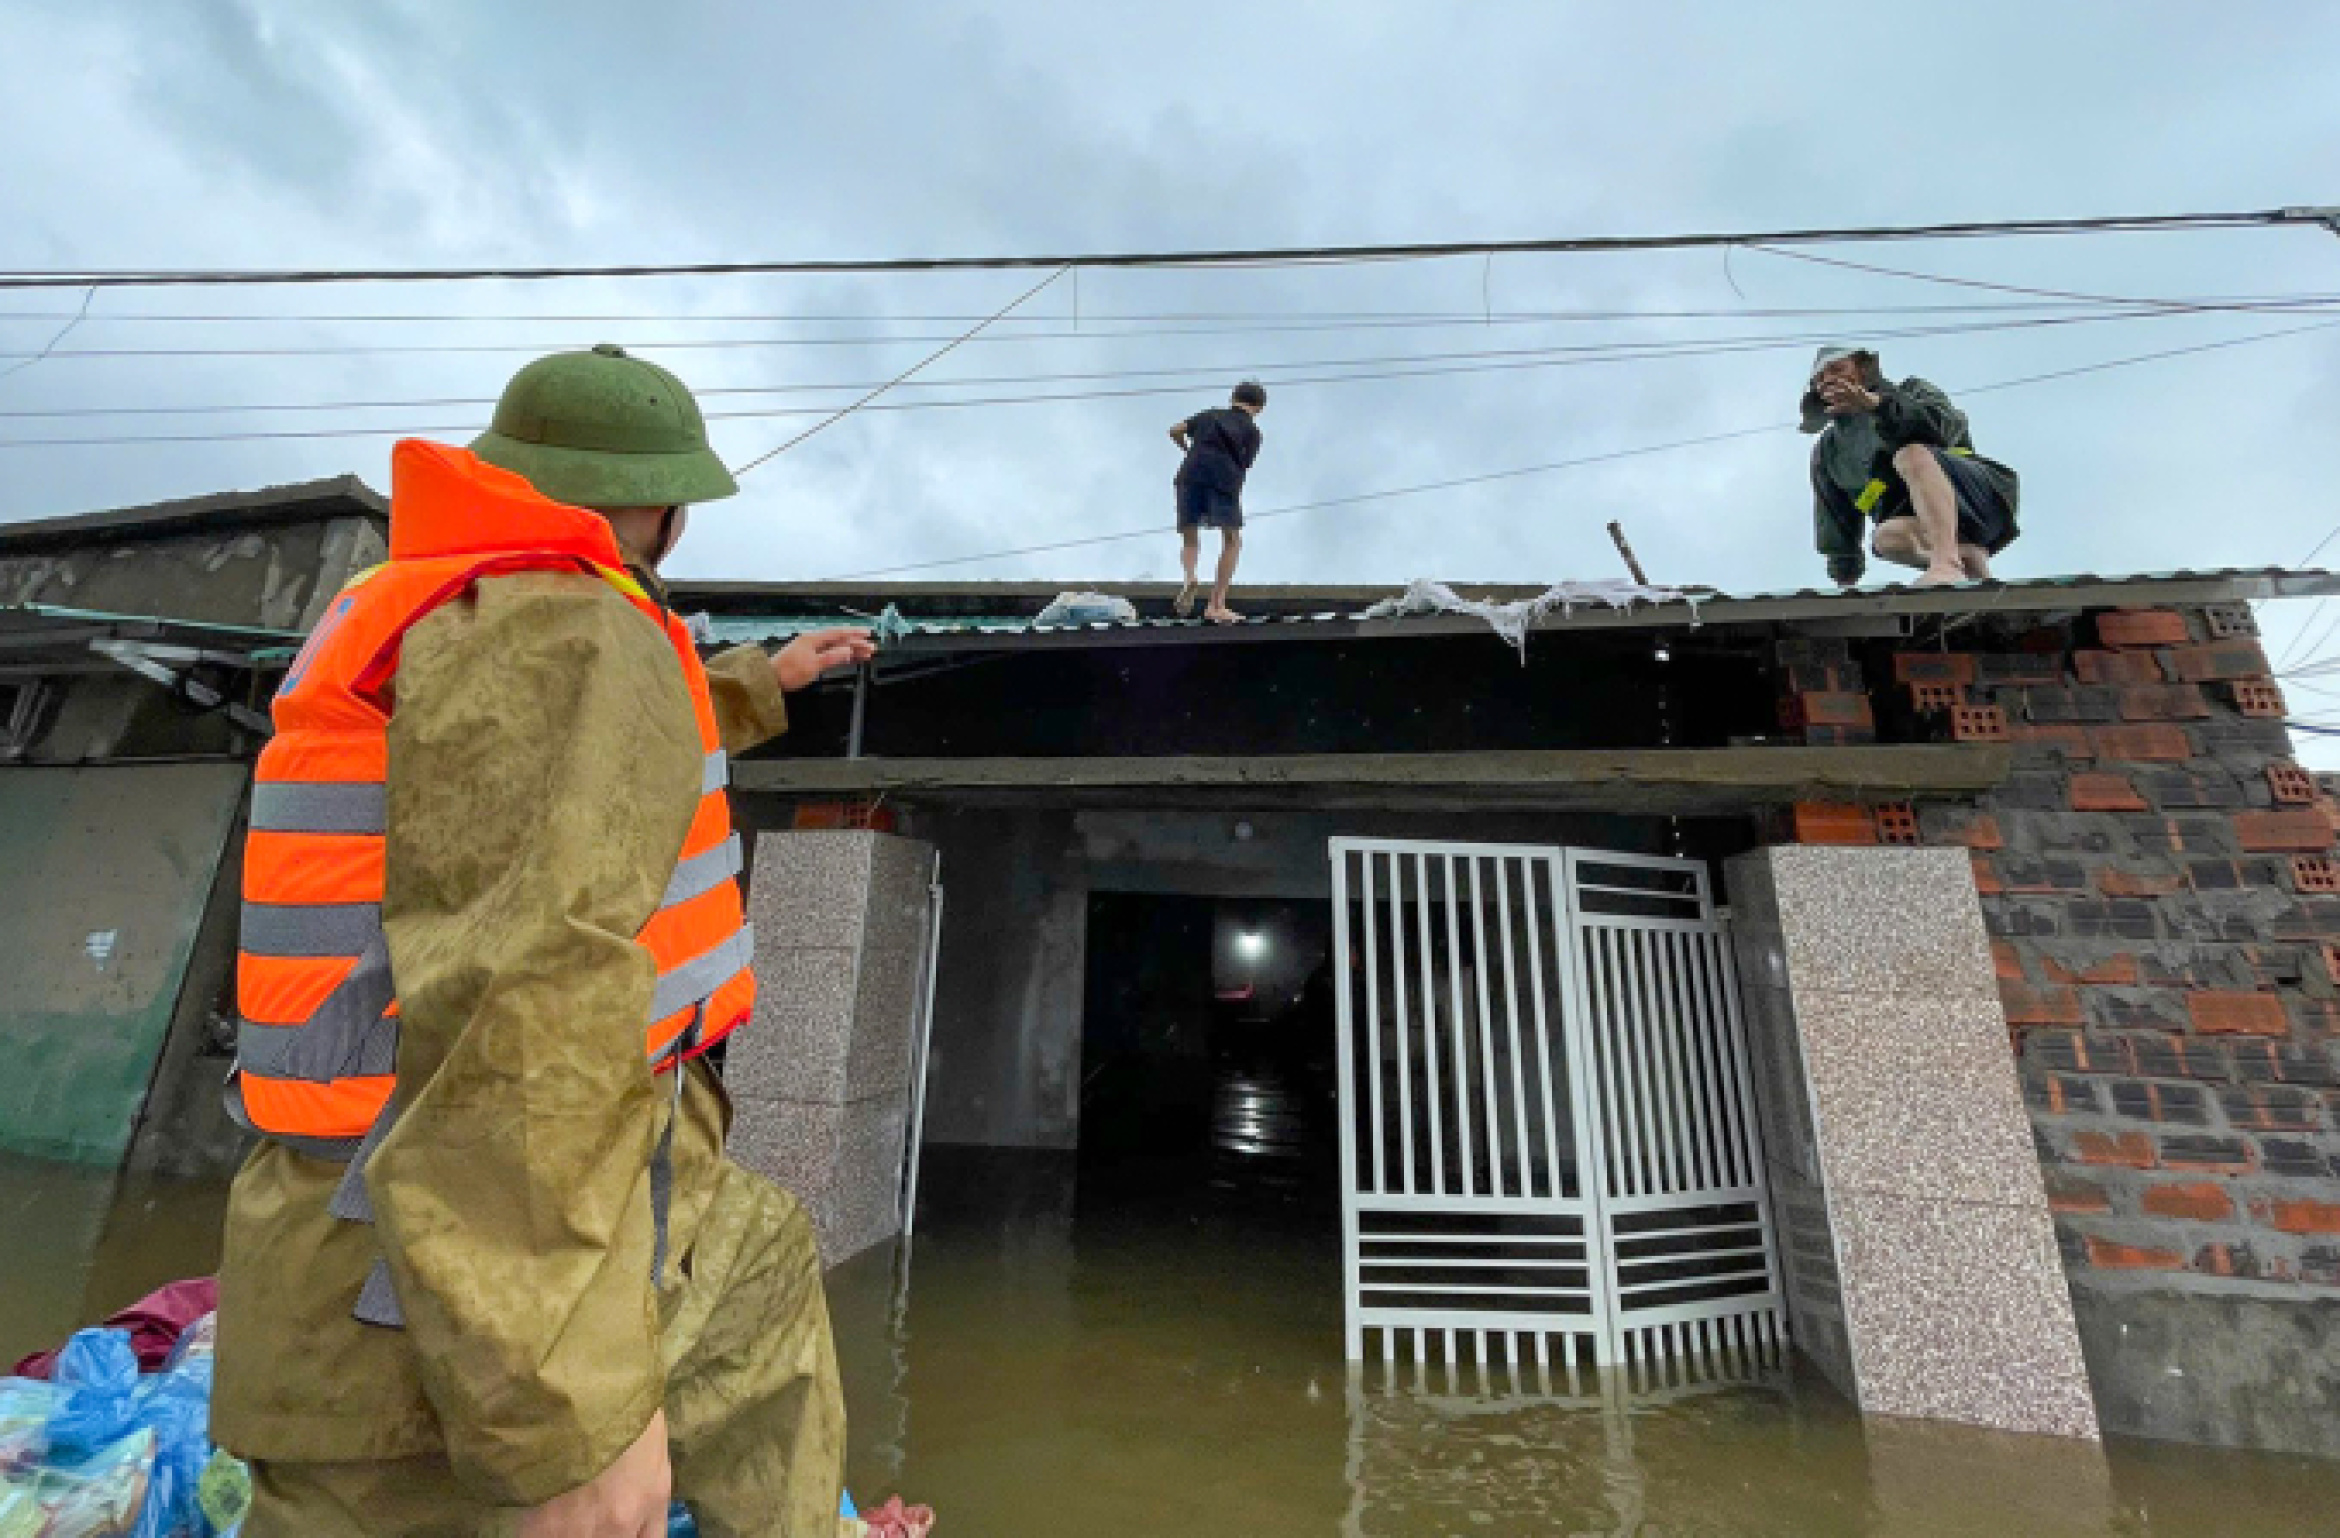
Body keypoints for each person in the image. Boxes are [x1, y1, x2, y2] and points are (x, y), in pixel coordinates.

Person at [212, 343, 932, 1537]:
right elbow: (520, 999)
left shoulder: (463, 601)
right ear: (666, 505)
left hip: (448, 1188)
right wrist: (562, 1418)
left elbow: (611, 751)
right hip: (455, 1208)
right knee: (477, 1492)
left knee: (763, 1273)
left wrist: (768, 677)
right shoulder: (561, 624)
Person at [1803, 345, 2020, 590]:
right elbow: (1835, 519)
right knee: (1886, 538)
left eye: (1837, 369)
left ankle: (1947, 563)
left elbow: (1940, 427)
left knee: (1911, 454)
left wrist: (1877, 405)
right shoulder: (1830, 451)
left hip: (1976, 501)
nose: (1828, 381)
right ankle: (1966, 556)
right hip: (1922, 524)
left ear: (1863, 369)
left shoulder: (1913, 391)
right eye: (1819, 379)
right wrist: (1844, 585)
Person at [1169, 380, 1267, 624]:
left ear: (1233, 398)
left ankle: (1190, 576)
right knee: (1232, 540)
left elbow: (1174, 430)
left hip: (1190, 474)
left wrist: (1186, 449)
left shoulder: (1209, 415)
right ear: (1259, 408)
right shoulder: (1253, 432)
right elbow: (1244, 464)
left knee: (1190, 535)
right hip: (1223, 479)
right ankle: (1216, 605)